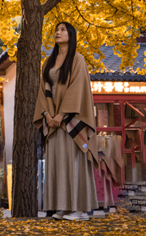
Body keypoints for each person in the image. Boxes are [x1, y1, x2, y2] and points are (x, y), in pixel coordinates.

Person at [33, 21, 99, 221]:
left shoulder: (78, 59)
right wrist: (47, 115)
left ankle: (79, 209)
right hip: (53, 121)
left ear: (71, 34)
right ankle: (63, 206)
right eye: (56, 30)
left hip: (72, 120)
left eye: (63, 30)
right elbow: (43, 90)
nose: (58, 32)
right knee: (57, 162)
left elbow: (76, 89)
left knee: (74, 161)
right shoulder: (49, 61)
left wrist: (61, 115)